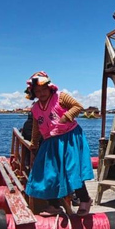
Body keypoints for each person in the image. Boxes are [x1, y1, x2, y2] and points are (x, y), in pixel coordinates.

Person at [24, 71, 94, 216]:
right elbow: (37, 126)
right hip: (51, 141)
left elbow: (77, 106)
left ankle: (85, 199)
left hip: (70, 138)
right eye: (38, 91)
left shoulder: (60, 97)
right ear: (33, 93)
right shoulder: (35, 108)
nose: (41, 93)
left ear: (50, 88)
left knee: (72, 170)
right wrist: (34, 142)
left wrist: (66, 117)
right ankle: (54, 205)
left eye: (44, 90)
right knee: (48, 172)